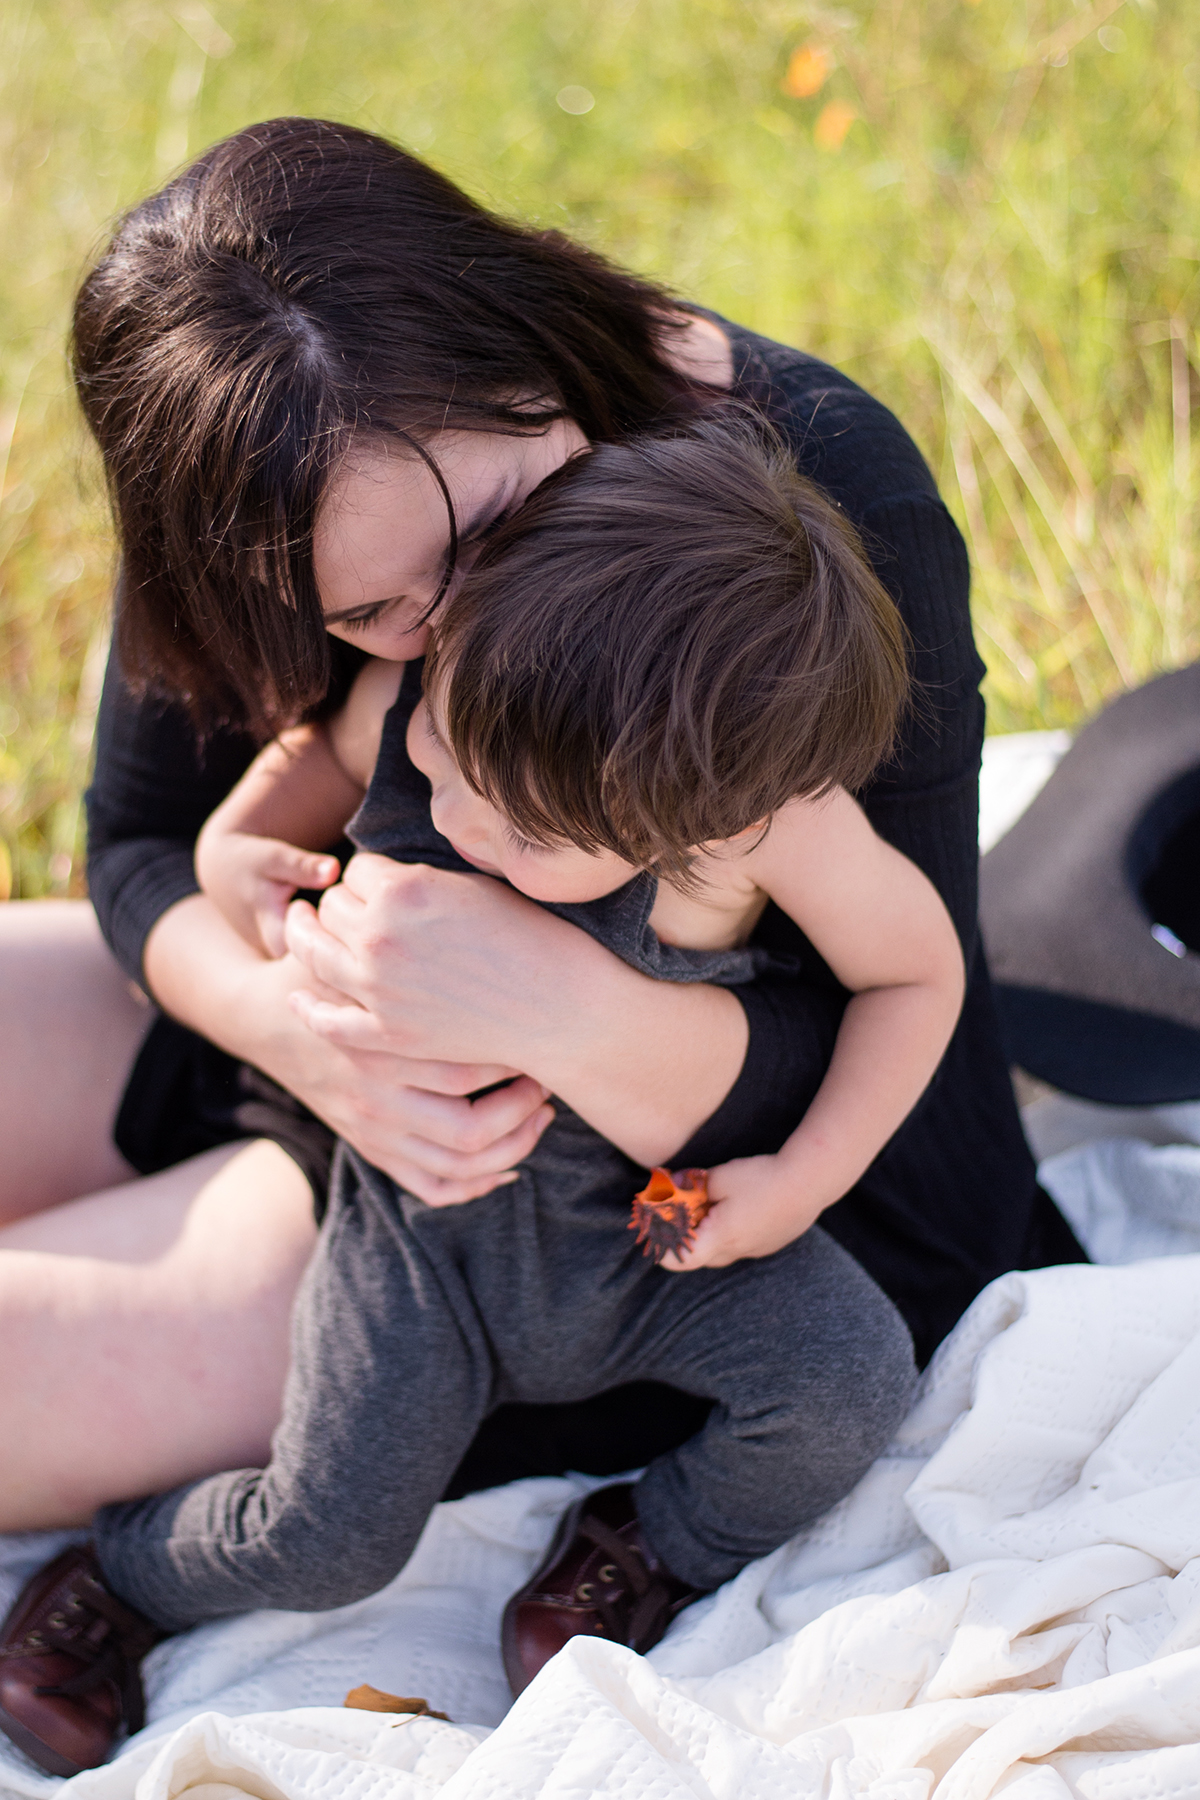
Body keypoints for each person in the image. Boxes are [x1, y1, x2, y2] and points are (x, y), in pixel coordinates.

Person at [0, 112, 1083, 1764]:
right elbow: (153, 851)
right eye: (368, 617)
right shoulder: (310, 578)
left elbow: (920, 1103)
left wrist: (572, 1010)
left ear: (541, 367)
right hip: (341, 1057)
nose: (451, 648)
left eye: (499, 517)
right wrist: (300, 1030)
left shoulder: (793, 527)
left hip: (599, 1191)